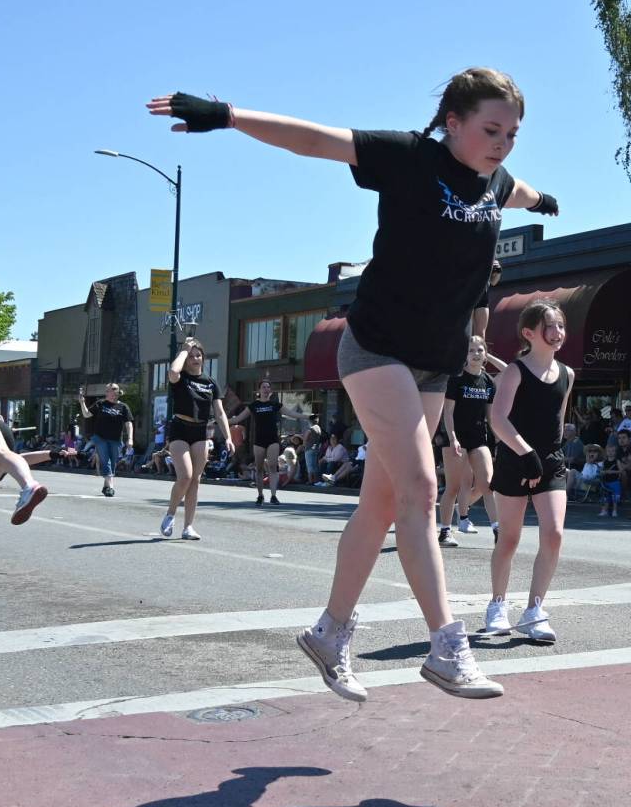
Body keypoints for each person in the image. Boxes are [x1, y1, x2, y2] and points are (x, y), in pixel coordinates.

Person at [151, 68, 559, 701]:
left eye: (513, 132)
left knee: (382, 504)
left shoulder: (496, 181)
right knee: (423, 488)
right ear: (452, 122)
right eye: (490, 128)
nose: (503, 142)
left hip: (433, 362)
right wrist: (230, 114)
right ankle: (447, 646)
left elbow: (519, 191)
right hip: (374, 349)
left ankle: (329, 632)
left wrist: (542, 202)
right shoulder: (407, 157)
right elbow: (316, 140)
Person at [483, 300, 573, 642]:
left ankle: (535, 611)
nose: (558, 332)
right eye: (550, 326)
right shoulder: (514, 372)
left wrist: (547, 457)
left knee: (554, 534)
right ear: (529, 332)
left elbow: (559, 423)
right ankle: (497, 605)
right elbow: (499, 419)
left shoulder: (568, 374)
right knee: (509, 539)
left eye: (561, 326)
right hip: (515, 460)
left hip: (550, 462)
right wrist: (525, 453)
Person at [159, 337, 233, 541]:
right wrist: (184, 350)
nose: (195, 358)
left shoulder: (210, 383)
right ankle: (170, 514)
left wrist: (227, 437)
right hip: (180, 429)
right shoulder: (180, 378)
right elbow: (172, 372)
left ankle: (188, 527)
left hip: (200, 431)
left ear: (203, 358)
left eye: (198, 355)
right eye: (191, 356)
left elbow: (219, 413)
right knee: (185, 476)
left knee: (195, 481)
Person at [437, 336, 499, 546]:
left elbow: (491, 417)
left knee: (488, 484)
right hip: (455, 438)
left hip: (478, 438)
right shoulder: (456, 378)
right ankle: (445, 531)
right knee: (453, 487)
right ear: (465, 355)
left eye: (480, 350)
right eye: (471, 350)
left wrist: (500, 439)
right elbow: (447, 411)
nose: (475, 353)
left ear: (485, 354)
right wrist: (452, 437)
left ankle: (498, 529)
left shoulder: (488, 381)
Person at [0, 411, 49, 557]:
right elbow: (17, 459)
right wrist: (51, 454)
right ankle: (29, 486)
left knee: (0, 453)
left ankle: (29, 486)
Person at [229, 380, 298, 506]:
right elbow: (238, 418)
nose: (266, 389)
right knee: (259, 468)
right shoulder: (254, 405)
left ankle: (273, 496)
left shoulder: (275, 404)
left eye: (268, 387)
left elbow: (292, 413)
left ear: (270, 390)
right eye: (263, 387)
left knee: (273, 466)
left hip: (272, 439)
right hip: (259, 440)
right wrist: (221, 421)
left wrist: (308, 417)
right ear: (259, 390)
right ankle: (260, 495)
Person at [76, 383, 133, 497]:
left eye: (115, 390)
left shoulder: (123, 407)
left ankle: (106, 486)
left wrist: (130, 438)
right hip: (100, 437)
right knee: (105, 460)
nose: (113, 392)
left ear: (118, 392)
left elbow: (129, 423)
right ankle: (111, 487)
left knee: (112, 463)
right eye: (110, 390)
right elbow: (87, 414)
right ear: (107, 393)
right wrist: (82, 402)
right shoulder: (100, 404)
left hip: (116, 439)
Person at [472, 260, 501, 338]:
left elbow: (493, 282)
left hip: (482, 296)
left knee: (481, 334)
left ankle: (479, 350)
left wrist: (497, 272)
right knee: (466, 331)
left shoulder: (489, 255)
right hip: (468, 294)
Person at [598, 442, 622, 517]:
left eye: (612, 451)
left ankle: (615, 511)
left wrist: (612, 471)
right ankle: (605, 510)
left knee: (615, 497)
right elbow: (601, 470)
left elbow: (621, 470)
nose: (610, 453)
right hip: (606, 482)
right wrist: (603, 472)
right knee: (606, 497)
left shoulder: (617, 461)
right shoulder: (605, 462)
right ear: (606, 452)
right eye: (609, 451)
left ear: (615, 452)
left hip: (615, 482)